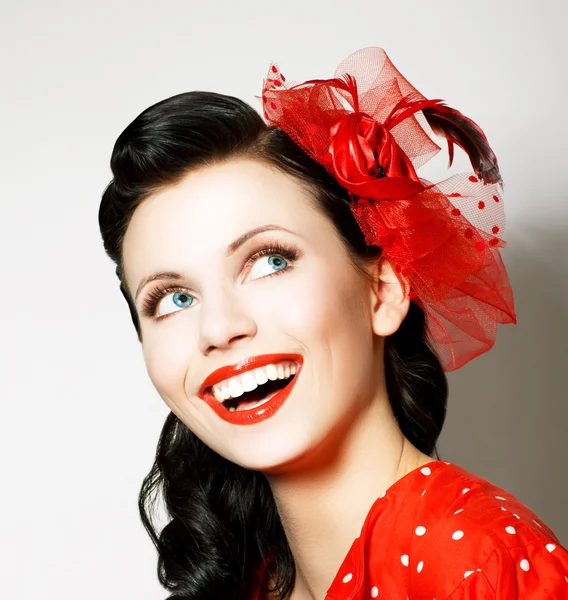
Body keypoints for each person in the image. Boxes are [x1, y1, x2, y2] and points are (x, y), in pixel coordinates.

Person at [98, 47, 568, 599]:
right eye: (173, 298)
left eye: (271, 260)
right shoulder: (251, 577)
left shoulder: (485, 565)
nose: (218, 329)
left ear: (383, 288)